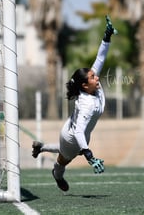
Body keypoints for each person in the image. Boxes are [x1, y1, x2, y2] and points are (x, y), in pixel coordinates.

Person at [32, 16, 118, 192]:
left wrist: (106, 37)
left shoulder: (90, 86)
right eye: (93, 77)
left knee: (67, 151)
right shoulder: (86, 104)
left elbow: (100, 58)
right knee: (64, 160)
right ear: (85, 85)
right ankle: (56, 175)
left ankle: (41, 147)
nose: (97, 77)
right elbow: (79, 131)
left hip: (75, 132)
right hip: (73, 136)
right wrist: (89, 155)